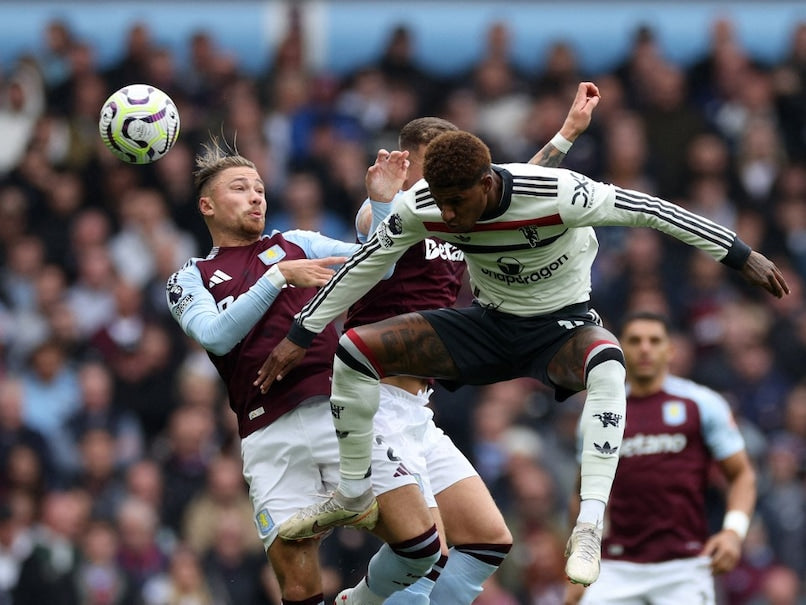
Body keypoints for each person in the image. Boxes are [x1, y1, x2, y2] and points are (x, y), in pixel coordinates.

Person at [255, 127, 789, 589]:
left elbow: (653, 211)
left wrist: (740, 255)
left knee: (609, 364)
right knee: (356, 348)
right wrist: (303, 331)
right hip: (490, 325)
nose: (446, 214)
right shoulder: (425, 206)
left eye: (456, 202)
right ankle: (352, 491)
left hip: (560, 328)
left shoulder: (562, 195)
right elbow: (369, 264)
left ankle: (587, 528)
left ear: (486, 184)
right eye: (439, 200)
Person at [340, 82, 601, 604]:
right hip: (376, 400)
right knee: (427, 551)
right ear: (406, 166)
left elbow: (516, 189)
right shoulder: (387, 212)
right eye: (430, 170)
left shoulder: (461, 214)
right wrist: (380, 195)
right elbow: (376, 246)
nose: (443, 183)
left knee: (487, 540)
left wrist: (567, 133)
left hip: (419, 407)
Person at [166, 141, 442, 605]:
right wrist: (278, 278)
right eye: (240, 188)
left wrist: (380, 200)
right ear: (207, 205)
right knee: (298, 590)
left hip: (339, 415)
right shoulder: (189, 277)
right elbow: (214, 336)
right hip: (266, 435)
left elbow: (382, 262)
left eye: (259, 188)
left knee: (422, 546)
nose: (256, 196)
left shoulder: (296, 242)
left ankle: (358, 601)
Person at [564, 311, 757, 604]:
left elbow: (742, 474)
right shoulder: (601, 413)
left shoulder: (701, 404)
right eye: (635, 340)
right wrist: (579, 563)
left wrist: (733, 532)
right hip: (616, 566)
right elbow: (583, 491)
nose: (645, 348)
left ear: (670, 350)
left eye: (654, 341)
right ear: (621, 349)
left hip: (684, 566)